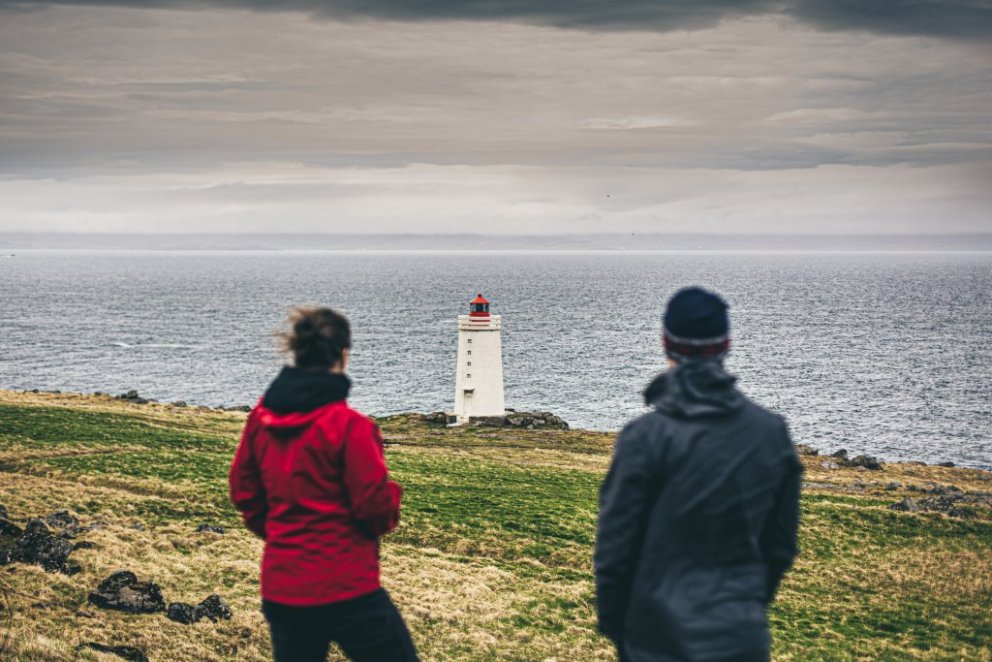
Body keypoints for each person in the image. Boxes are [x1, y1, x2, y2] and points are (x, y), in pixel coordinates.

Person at [595, 287, 802, 662]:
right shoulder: (771, 433)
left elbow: (614, 552)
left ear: (665, 342)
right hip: (741, 636)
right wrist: (745, 605)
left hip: (656, 639)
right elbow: (780, 547)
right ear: (726, 343)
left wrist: (620, 630)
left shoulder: (644, 438)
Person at [229, 306, 418, 662]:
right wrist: (393, 495)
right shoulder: (350, 427)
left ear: (297, 352)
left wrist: (281, 533)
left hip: (284, 586)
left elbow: (244, 491)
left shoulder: (259, 420)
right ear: (344, 354)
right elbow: (375, 509)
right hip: (348, 587)